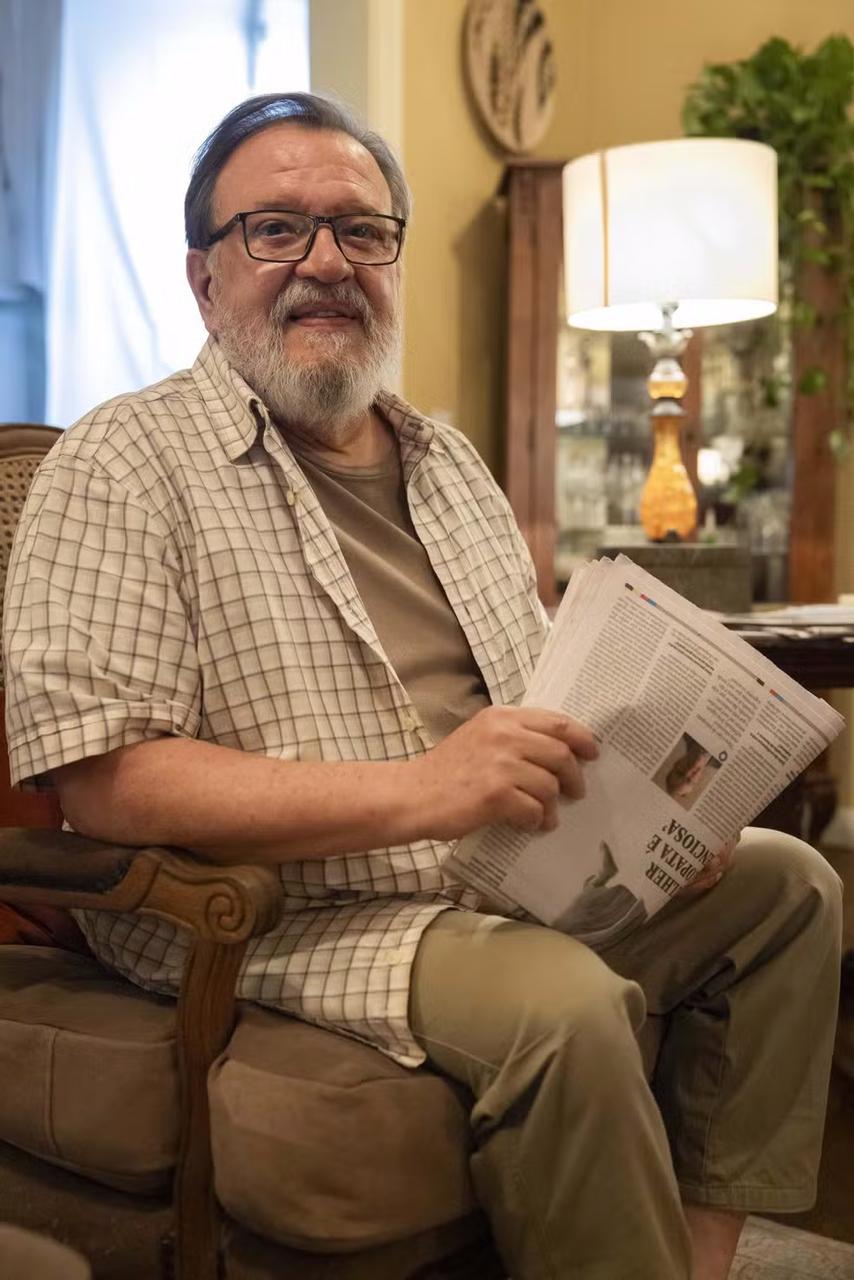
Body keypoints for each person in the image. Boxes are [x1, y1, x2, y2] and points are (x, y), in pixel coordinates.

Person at [3, 93, 842, 1280]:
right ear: (203, 278)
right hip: (299, 911)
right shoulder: (124, 461)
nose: (326, 263)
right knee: (560, 1003)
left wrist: (666, 816)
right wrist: (423, 789)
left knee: (786, 886)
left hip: (509, 868)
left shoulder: (446, 460)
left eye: (359, 230)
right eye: (275, 230)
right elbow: (106, 779)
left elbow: (549, 700)